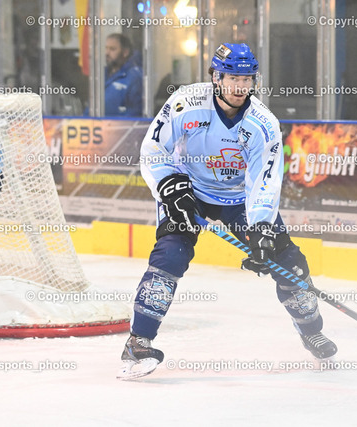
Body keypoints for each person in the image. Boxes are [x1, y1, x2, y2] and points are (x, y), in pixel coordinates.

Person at [118, 43, 336, 379]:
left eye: (247, 79)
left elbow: (264, 181)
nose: (240, 87)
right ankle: (139, 341)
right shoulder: (185, 103)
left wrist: (261, 228)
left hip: (238, 201)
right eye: (232, 77)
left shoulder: (263, 124)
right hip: (187, 191)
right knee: (170, 256)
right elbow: (153, 148)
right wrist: (169, 186)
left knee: (288, 261)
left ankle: (311, 330)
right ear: (216, 77)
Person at [104, 33, 143, 117]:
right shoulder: (101, 74)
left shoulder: (134, 77)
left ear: (125, 52)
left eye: (112, 49)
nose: (107, 53)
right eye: (106, 48)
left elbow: (135, 113)